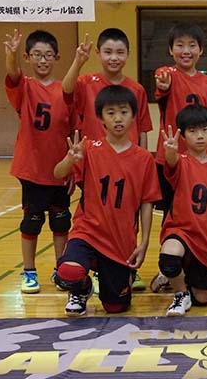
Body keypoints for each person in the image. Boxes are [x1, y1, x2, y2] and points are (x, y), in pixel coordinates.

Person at [52, 85, 160, 317]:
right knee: (68, 272)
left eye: (124, 112)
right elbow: (58, 173)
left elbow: (147, 202)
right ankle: (81, 289)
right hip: (87, 231)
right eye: (111, 113)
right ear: (100, 118)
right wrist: (70, 160)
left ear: (133, 116)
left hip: (120, 241)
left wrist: (144, 242)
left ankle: (117, 279)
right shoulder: (89, 149)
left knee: (116, 307)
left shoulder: (144, 159)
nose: (118, 118)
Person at [62, 27, 153, 291]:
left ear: (128, 55)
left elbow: (143, 129)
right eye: (108, 52)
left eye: (120, 52)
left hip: (129, 163)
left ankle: (127, 265)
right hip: (94, 163)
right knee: (96, 214)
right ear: (99, 54)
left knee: (127, 217)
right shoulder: (86, 82)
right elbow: (66, 91)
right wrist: (78, 61)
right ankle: (87, 266)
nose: (114, 57)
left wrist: (143, 160)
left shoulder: (136, 89)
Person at [3, 29, 74, 294]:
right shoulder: (25, 87)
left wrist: (73, 169)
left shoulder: (66, 90)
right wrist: (11, 54)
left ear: (56, 57)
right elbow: (13, 74)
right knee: (32, 222)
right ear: (27, 57)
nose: (42, 60)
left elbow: (74, 132)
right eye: (36, 55)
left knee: (61, 222)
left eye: (47, 55)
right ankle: (29, 271)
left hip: (60, 170)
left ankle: (61, 269)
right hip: (32, 169)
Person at [149, 104, 207, 317]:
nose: (199, 136)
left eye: (204, 130)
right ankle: (180, 292)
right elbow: (171, 164)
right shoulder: (181, 162)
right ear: (183, 135)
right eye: (192, 131)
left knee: (202, 300)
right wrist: (170, 152)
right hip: (181, 231)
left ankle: (178, 278)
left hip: (206, 240)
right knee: (169, 257)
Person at [153, 23, 207, 221]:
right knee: (171, 210)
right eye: (180, 45)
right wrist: (163, 83)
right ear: (170, 50)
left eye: (192, 45)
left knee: (199, 208)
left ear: (200, 50)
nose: (186, 51)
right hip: (170, 158)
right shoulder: (168, 75)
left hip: (200, 158)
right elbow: (162, 78)